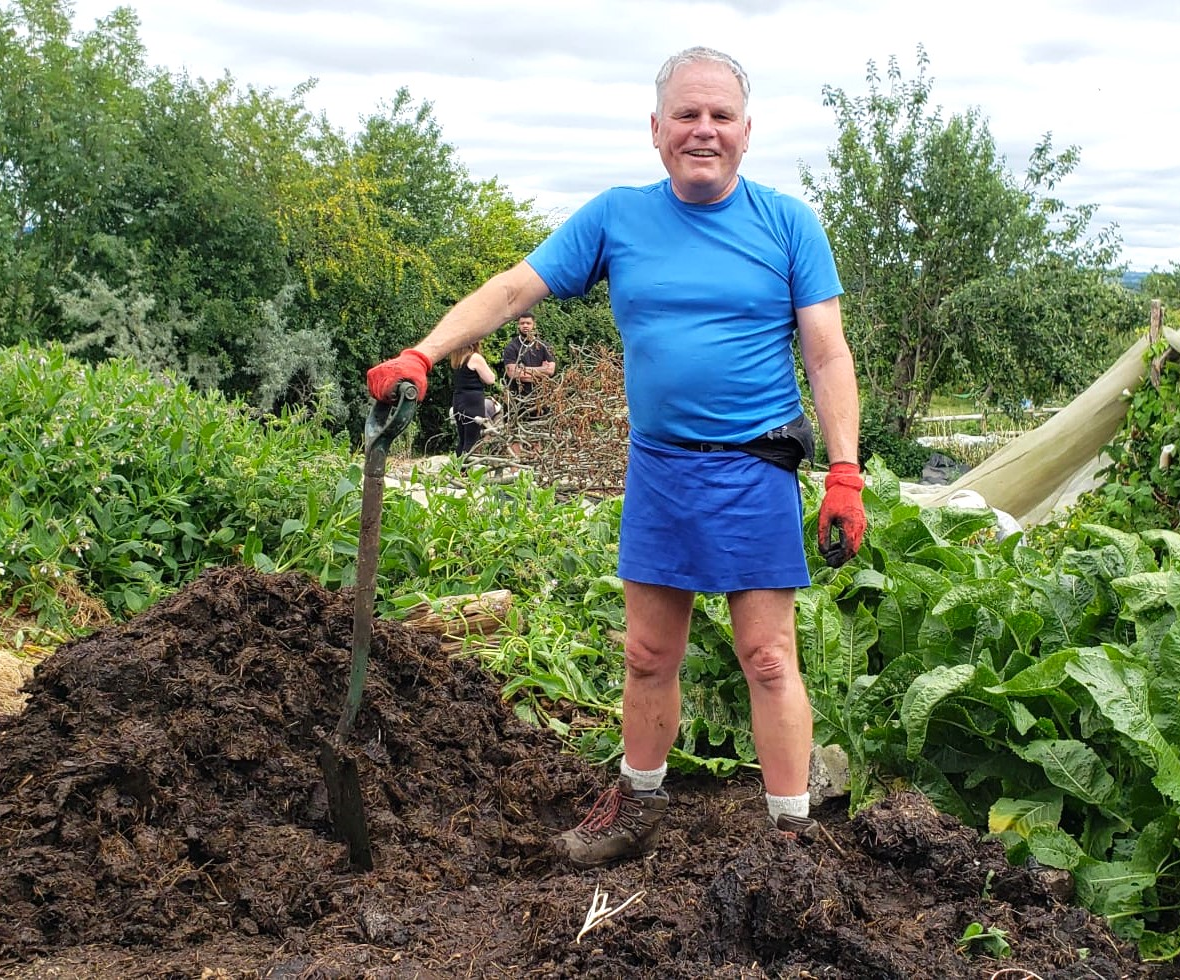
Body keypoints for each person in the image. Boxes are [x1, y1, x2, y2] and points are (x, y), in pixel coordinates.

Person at [366, 46, 865, 868]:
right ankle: (637, 805)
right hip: (661, 470)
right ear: (657, 128)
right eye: (686, 114)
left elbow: (828, 353)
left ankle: (789, 834)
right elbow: (512, 289)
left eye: (721, 115)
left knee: (770, 657)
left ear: (746, 131)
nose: (703, 130)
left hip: (754, 467)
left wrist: (845, 471)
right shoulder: (617, 217)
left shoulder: (788, 224)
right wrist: (424, 352)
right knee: (647, 654)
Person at [448, 341, 498, 457]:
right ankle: (466, 467)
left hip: (458, 401)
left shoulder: (456, 359)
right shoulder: (474, 357)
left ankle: (457, 465)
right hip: (472, 402)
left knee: (462, 440)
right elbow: (491, 379)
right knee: (472, 442)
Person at [500, 312, 556, 411]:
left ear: (534, 325)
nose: (525, 326)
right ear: (518, 325)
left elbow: (550, 370)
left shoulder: (545, 346)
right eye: (522, 323)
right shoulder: (511, 347)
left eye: (528, 323)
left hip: (541, 398)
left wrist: (522, 370)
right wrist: (542, 371)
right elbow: (512, 373)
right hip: (518, 400)